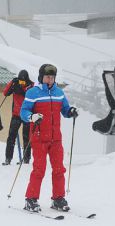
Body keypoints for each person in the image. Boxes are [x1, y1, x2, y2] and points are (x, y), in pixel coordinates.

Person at [20, 64, 78, 212]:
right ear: (41, 77)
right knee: (39, 169)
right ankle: (31, 199)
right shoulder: (33, 93)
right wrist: (31, 117)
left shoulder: (59, 92)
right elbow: (23, 112)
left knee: (59, 169)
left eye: (52, 77)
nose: (50, 80)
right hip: (39, 137)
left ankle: (58, 199)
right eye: (47, 77)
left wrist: (70, 111)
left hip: (55, 139)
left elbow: (64, 110)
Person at [2, 69, 34, 165]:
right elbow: (5, 93)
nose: (21, 83)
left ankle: (26, 159)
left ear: (27, 80)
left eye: (23, 81)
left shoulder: (31, 86)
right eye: (20, 81)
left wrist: (22, 90)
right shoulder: (15, 84)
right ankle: (8, 159)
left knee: (26, 138)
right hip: (16, 115)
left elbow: (31, 96)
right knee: (11, 137)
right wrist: (12, 82)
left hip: (27, 115)